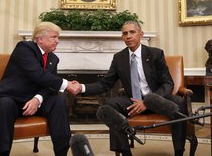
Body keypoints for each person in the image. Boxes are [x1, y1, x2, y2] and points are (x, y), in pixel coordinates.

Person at [70, 21, 187, 156]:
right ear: (122, 38)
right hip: (133, 100)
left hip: (157, 99)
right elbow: (105, 84)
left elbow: (168, 83)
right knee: (109, 106)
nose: (128, 36)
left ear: (141, 35)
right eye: (125, 33)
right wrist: (81, 87)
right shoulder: (119, 58)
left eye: (132, 32)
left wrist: (148, 102)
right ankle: (125, 152)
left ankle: (179, 152)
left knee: (179, 104)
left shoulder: (155, 54)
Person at [0, 22, 80, 156]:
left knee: (58, 102)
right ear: (40, 39)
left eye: (58, 37)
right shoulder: (24, 48)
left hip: (33, 101)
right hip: (11, 98)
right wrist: (67, 84)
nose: (57, 41)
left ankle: (61, 152)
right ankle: (3, 153)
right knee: (6, 104)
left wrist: (37, 99)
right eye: (53, 37)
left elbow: (49, 86)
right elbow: (37, 74)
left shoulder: (53, 58)